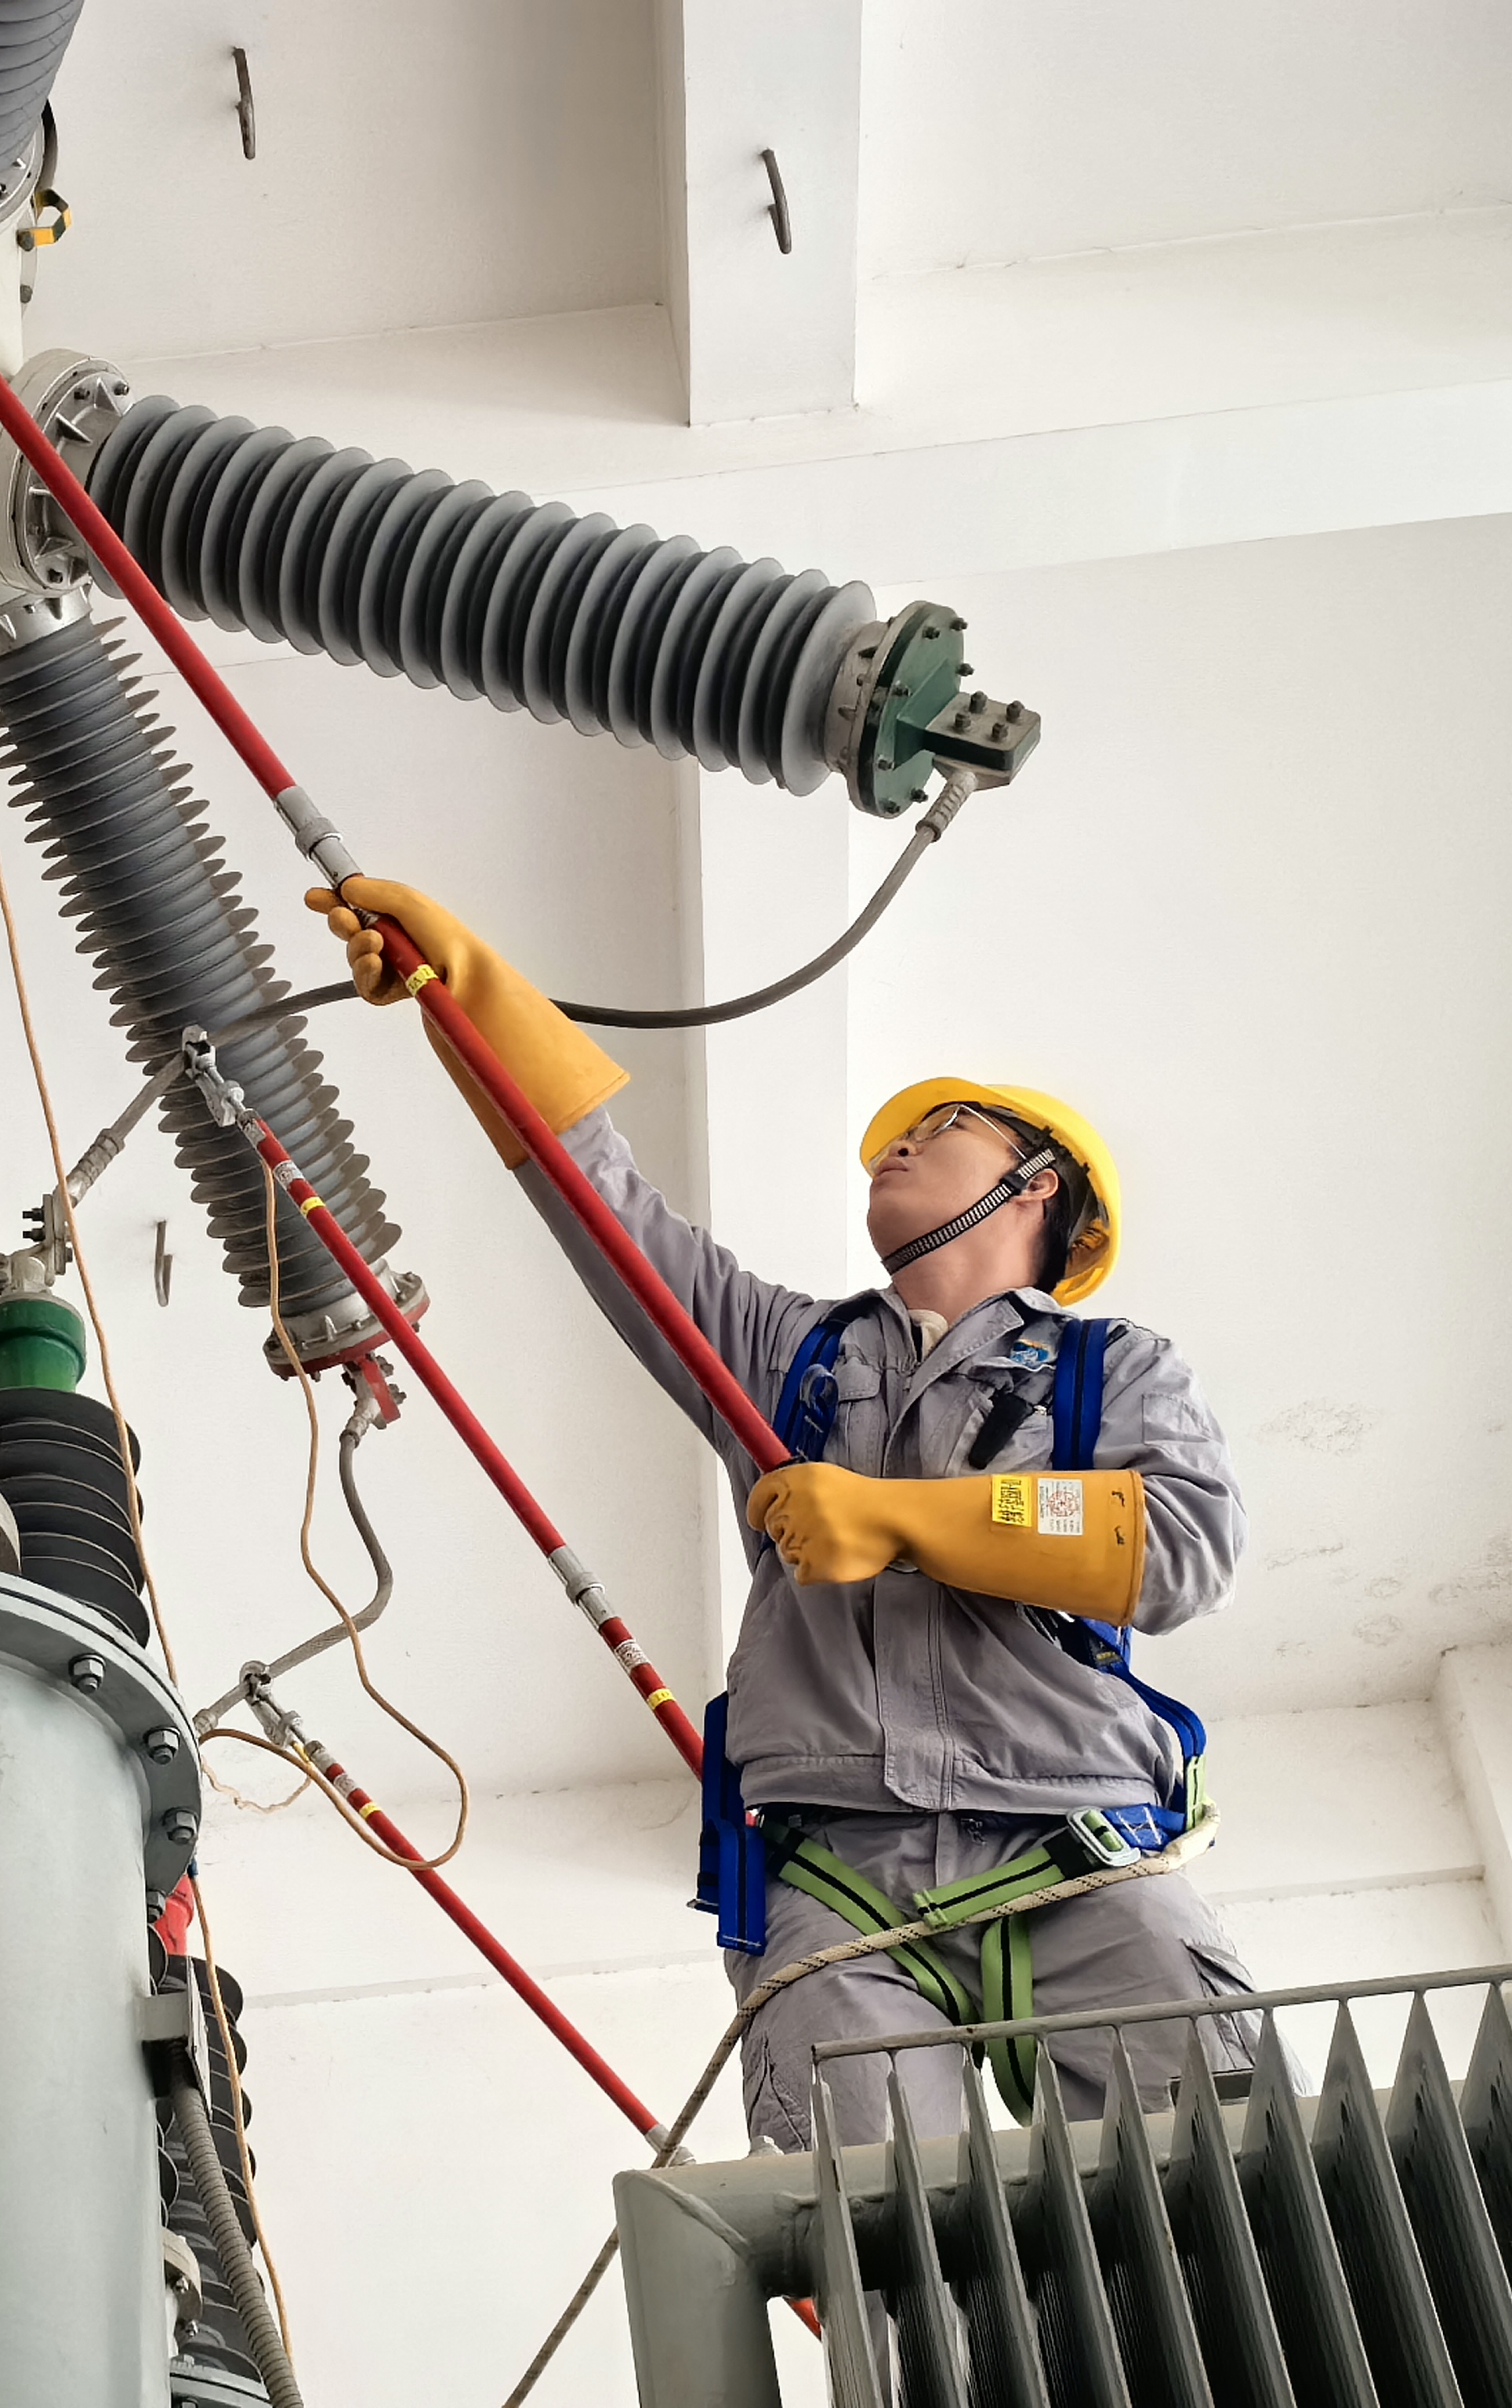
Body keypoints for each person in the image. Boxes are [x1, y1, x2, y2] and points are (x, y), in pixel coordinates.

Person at [311, 876, 1256, 2150]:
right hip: (834, 1874)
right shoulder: (791, 1353)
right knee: (877, 2234)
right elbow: (602, 1204)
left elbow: (1180, 1546)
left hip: (1081, 1839)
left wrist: (906, 1520)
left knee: (1214, 2189)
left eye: (946, 1129)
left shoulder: (1111, 1369)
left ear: (1038, 1185)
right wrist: (466, 995)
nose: (894, 1148)